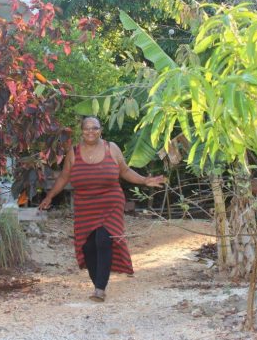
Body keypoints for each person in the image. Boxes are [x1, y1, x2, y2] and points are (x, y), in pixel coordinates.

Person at [39, 116, 164, 302]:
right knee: (88, 246)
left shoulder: (111, 148)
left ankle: (99, 288)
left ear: (101, 130)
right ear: (82, 130)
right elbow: (64, 177)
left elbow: (125, 171)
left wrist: (145, 180)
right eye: (87, 128)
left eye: (95, 128)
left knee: (103, 240)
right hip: (85, 205)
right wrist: (49, 197)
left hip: (110, 201)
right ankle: (97, 280)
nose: (91, 131)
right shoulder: (73, 153)